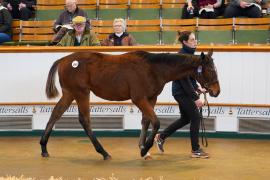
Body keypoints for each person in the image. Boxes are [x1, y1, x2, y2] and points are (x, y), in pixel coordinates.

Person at [154, 30, 209, 158]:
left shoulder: (189, 55)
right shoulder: (182, 57)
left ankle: (161, 137)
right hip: (181, 92)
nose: (195, 42)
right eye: (192, 40)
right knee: (195, 117)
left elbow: (190, 77)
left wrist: (197, 88)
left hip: (183, 91)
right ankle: (195, 150)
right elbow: (183, 80)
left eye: (195, 39)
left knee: (186, 118)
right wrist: (195, 98)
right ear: (184, 42)